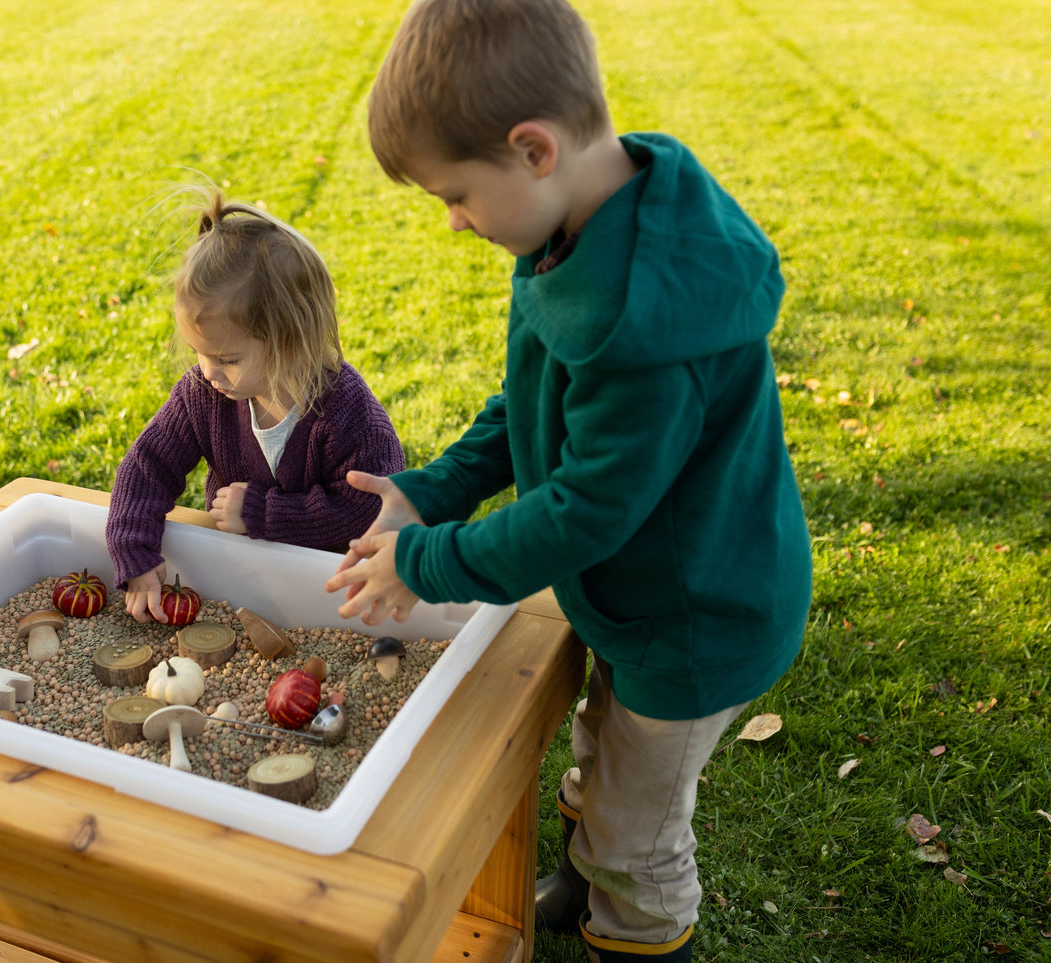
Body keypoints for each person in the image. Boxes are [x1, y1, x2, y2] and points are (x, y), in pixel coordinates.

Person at [323, 1, 813, 960]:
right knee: (601, 749)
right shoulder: (570, 225)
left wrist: (425, 558)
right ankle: (584, 871)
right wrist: (437, 488)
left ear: (533, 149)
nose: (457, 222)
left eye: (454, 196)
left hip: (692, 619)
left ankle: (630, 920)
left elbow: (582, 513)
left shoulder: (646, 331)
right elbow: (530, 399)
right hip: (637, 601)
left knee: (641, 826)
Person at [107, 190, 405, 623]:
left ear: (289, 342)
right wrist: (134, 551)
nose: (209, 371)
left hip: (329, 589)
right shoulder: (203, 395)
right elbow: (147, 465)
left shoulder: (347, 413)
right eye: (198, 352)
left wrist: (264, 513)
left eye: (228, 359)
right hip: (239, 573)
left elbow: (369, 511)